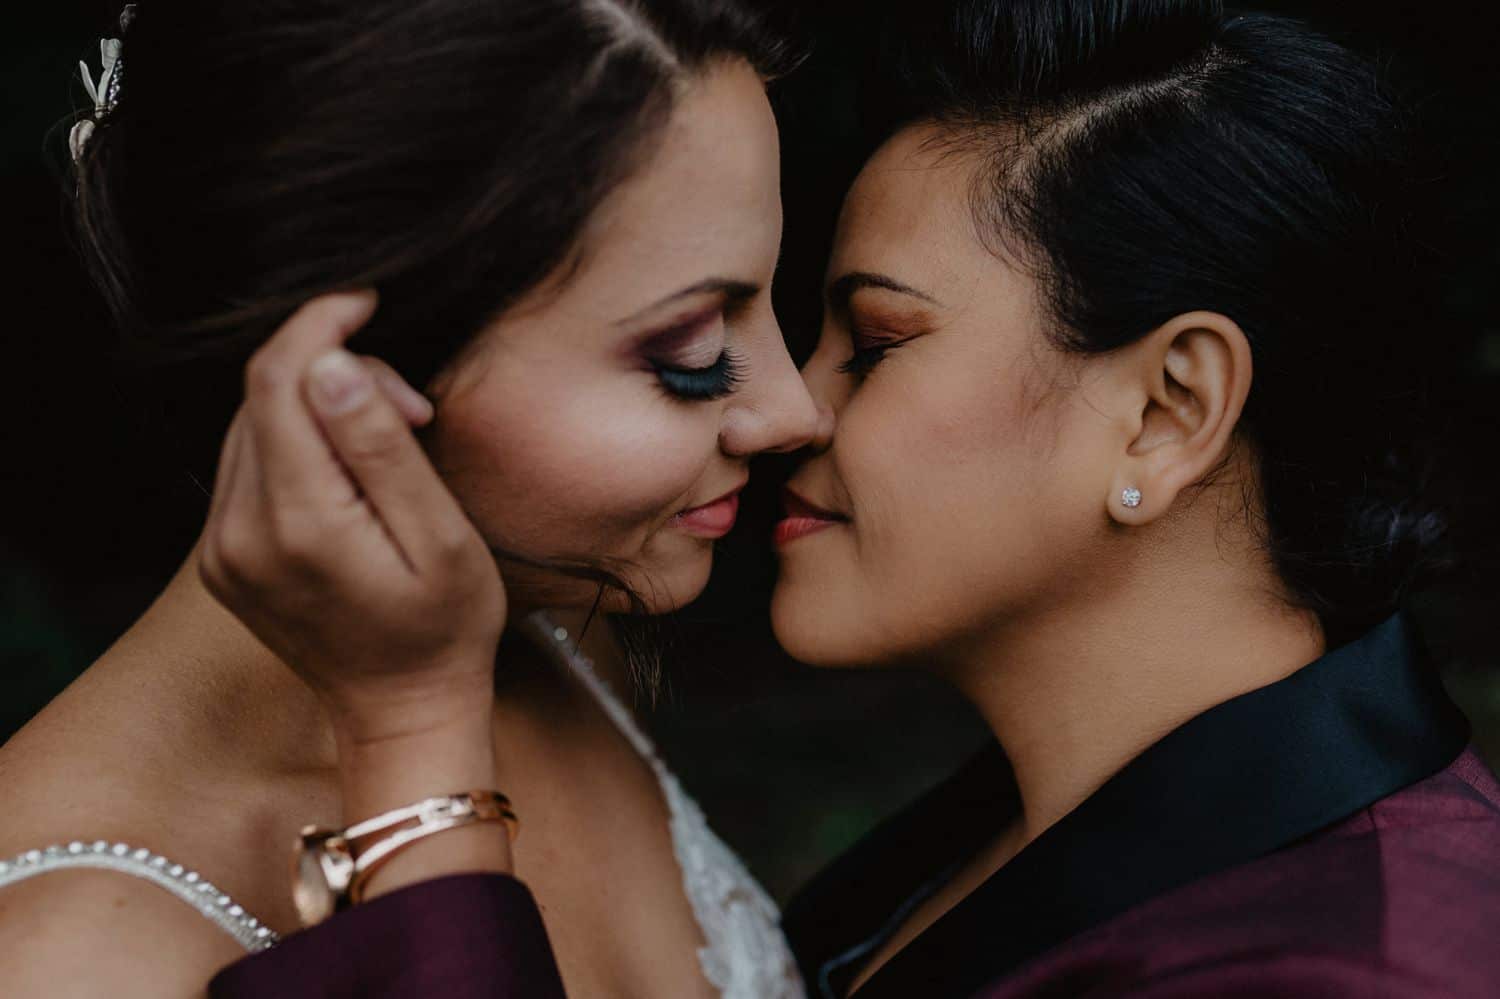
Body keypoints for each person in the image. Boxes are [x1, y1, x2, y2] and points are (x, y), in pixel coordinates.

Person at [191, 1, 1500, 996]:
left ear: (1169, 409)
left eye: (872, 343)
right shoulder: (1054, 814)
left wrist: (414, 733)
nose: (790, 411)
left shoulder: (1355, 965)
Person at [0, 1, 821, 997]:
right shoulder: (70, 957)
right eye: (687, 354)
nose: (793, 411)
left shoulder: (552, 616)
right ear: (347, 373)